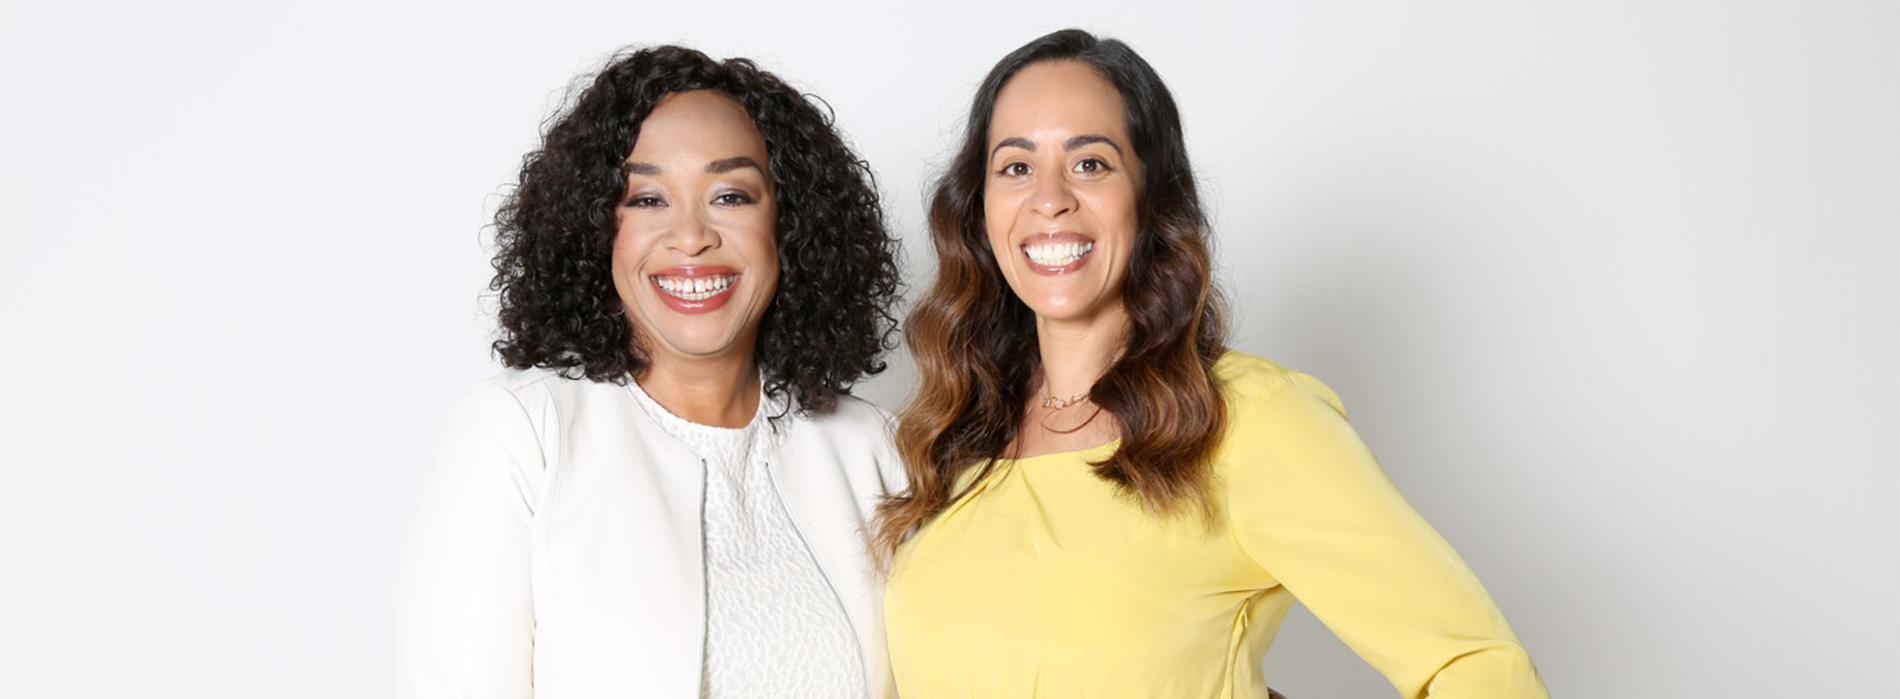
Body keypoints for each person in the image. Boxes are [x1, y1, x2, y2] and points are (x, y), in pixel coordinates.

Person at [875, 29, 1548, 698]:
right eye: (1016, 167)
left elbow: (1478, 666)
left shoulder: (1250, 420)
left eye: (1091, 163)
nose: (1049, 198)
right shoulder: (952, 431)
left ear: (1151, 196)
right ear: (979, 207)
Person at [398, 45, 905, 698]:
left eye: (730, 195)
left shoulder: (875, 449)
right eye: (646, 199)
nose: (690, 236)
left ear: (788, 222)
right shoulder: (524, 432)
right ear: (598, 230)